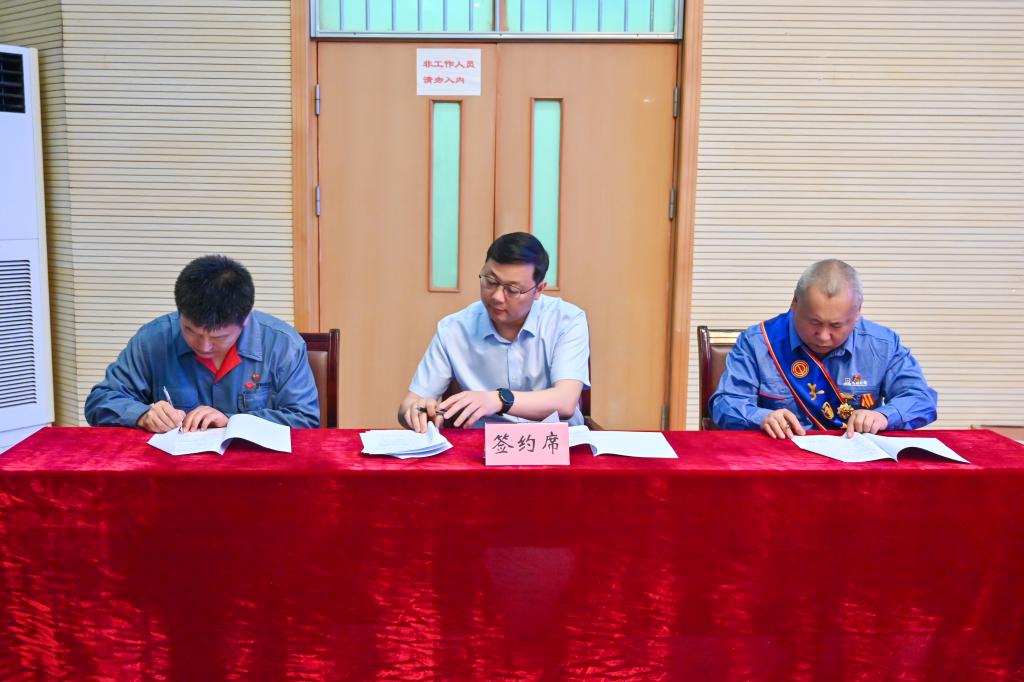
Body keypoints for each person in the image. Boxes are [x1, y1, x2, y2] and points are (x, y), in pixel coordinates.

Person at [85, 255, 319, 432]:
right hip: (170, 473)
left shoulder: (283, 345)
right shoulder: (153, 339)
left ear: (246, 318)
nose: (204, 346)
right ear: (180, 312)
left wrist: (232, 421)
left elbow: (305, 419)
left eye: (219, 338)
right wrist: (142, 414)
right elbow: (100, 401)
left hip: (254, 472)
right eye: (190, 331)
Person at [709, 259, 937, 439]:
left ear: (857, 312)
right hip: (780, 460)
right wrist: (761, 417)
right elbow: (725, 403)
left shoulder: (882, 345)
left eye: (836, 326)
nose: (824, 336)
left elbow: (921, 398)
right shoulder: (758, 342)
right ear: (794, 302)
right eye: (814, 322)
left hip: (856, 462)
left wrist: (883, 416)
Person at [399, 232, 590, 433]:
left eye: (512, 289)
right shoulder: (453, 328)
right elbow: (410, 403)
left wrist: (498, 400)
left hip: (555, 443)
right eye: (490, 281)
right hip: (481, 445)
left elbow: (565, 402)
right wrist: (417, 411)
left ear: (539, 290)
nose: (497, 297)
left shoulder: (566, 320)